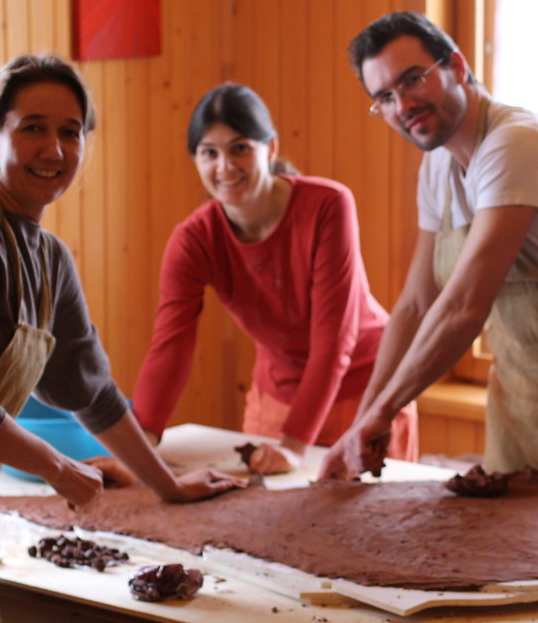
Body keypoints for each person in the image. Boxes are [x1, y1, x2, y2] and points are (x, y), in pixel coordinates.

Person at [0, 54, 245, 623]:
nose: (54, 151)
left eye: (70, 132)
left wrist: (168, 485)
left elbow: (93, 393)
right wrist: (56, 466)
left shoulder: (49, 258)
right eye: (33, 128)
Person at [320, 11, 538, 492]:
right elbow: (415, 304)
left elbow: (464, 307)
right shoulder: (438, 167)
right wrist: (362, 423)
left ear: (457, 66)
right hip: (519, 408)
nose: (403, 104)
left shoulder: (517, 144)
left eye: (412, 80)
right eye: (384, 97)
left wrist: (383, 413)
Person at [132, 83, 418, 475]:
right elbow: (171, 344)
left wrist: (295, 446)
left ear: (271, 149)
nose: (225, 167)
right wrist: (140, 443)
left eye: (240, 148)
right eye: (209, 153)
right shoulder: (193, 239)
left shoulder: (328, 205)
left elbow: (333, 339)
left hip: (366, 389)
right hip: (277, 397)